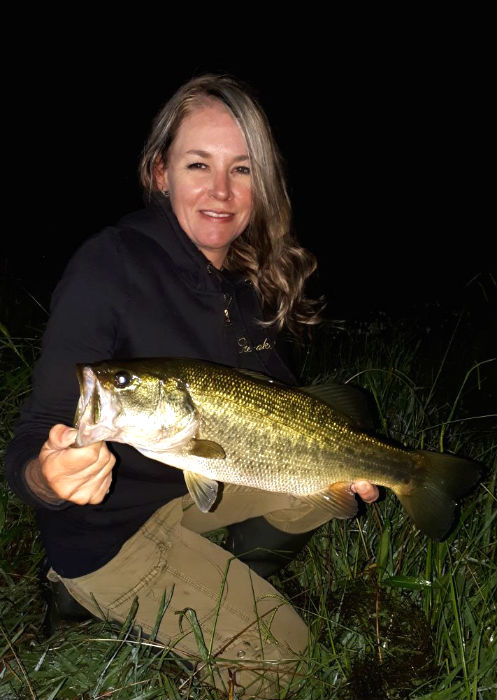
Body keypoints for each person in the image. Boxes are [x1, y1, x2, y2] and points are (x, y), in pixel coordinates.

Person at [6, 74, 378, 698]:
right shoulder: (109, 267)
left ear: (263, 182)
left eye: (242, 169)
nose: (221, 192)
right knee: (286, 663)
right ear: (160, 173)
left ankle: (219, 578)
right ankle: (75, 589)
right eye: (198, 164)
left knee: (316, 488)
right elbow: (25, 450)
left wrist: (351, 459)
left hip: (188, 487)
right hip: (109, 536)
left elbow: (283, 407)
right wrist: (49, 478)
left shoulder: (255, 278)